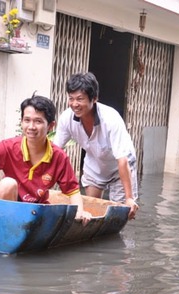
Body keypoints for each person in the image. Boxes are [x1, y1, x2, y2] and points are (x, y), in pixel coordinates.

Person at [0, 95, 92, 224]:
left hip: (36, 211)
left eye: (38, 121)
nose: (31, 127)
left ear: (51, 126)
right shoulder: (7, 147)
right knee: (8, 183)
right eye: (27, 120)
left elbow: (72, 191)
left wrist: (80, 212)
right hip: (5, 207)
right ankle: (1, 226)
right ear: (21, 122)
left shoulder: (59, 157)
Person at [53, 72, 139, 220]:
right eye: (71, 99)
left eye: (80, 99)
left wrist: (129, 198)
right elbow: (55, 151)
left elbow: (122, 160)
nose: (75, 104)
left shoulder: (111, 119)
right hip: (95, 163)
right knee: (91, 208)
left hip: (121, 167)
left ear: (94, 99)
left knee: (120, 214)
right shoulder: (67, 118)